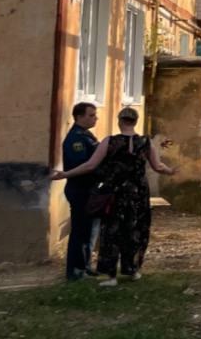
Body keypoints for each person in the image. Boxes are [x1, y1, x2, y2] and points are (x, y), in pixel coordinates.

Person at [52, 107, 175, 286]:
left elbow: (90, 165)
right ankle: (132, 269)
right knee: (135, 229)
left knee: (112, 230)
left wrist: (65, 174)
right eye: (92, 115)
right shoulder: (145, 142)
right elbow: (158, 166)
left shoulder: (109, 141)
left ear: (119, 121)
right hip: (138, 192)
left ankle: (110, 275)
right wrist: (171, 171)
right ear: (136, 121)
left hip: (115, 192)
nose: (95, 118)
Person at [61, 102, 100, 281]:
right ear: (79, 116)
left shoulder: (87, 135)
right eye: (91, 115)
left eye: (95, 115)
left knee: (88, 230)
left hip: (89, 188)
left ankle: (84, 265)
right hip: (80, 188)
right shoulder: (76, 139)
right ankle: (75, 270)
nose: (95, 118)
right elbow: (84, 164)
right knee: (79, 230)